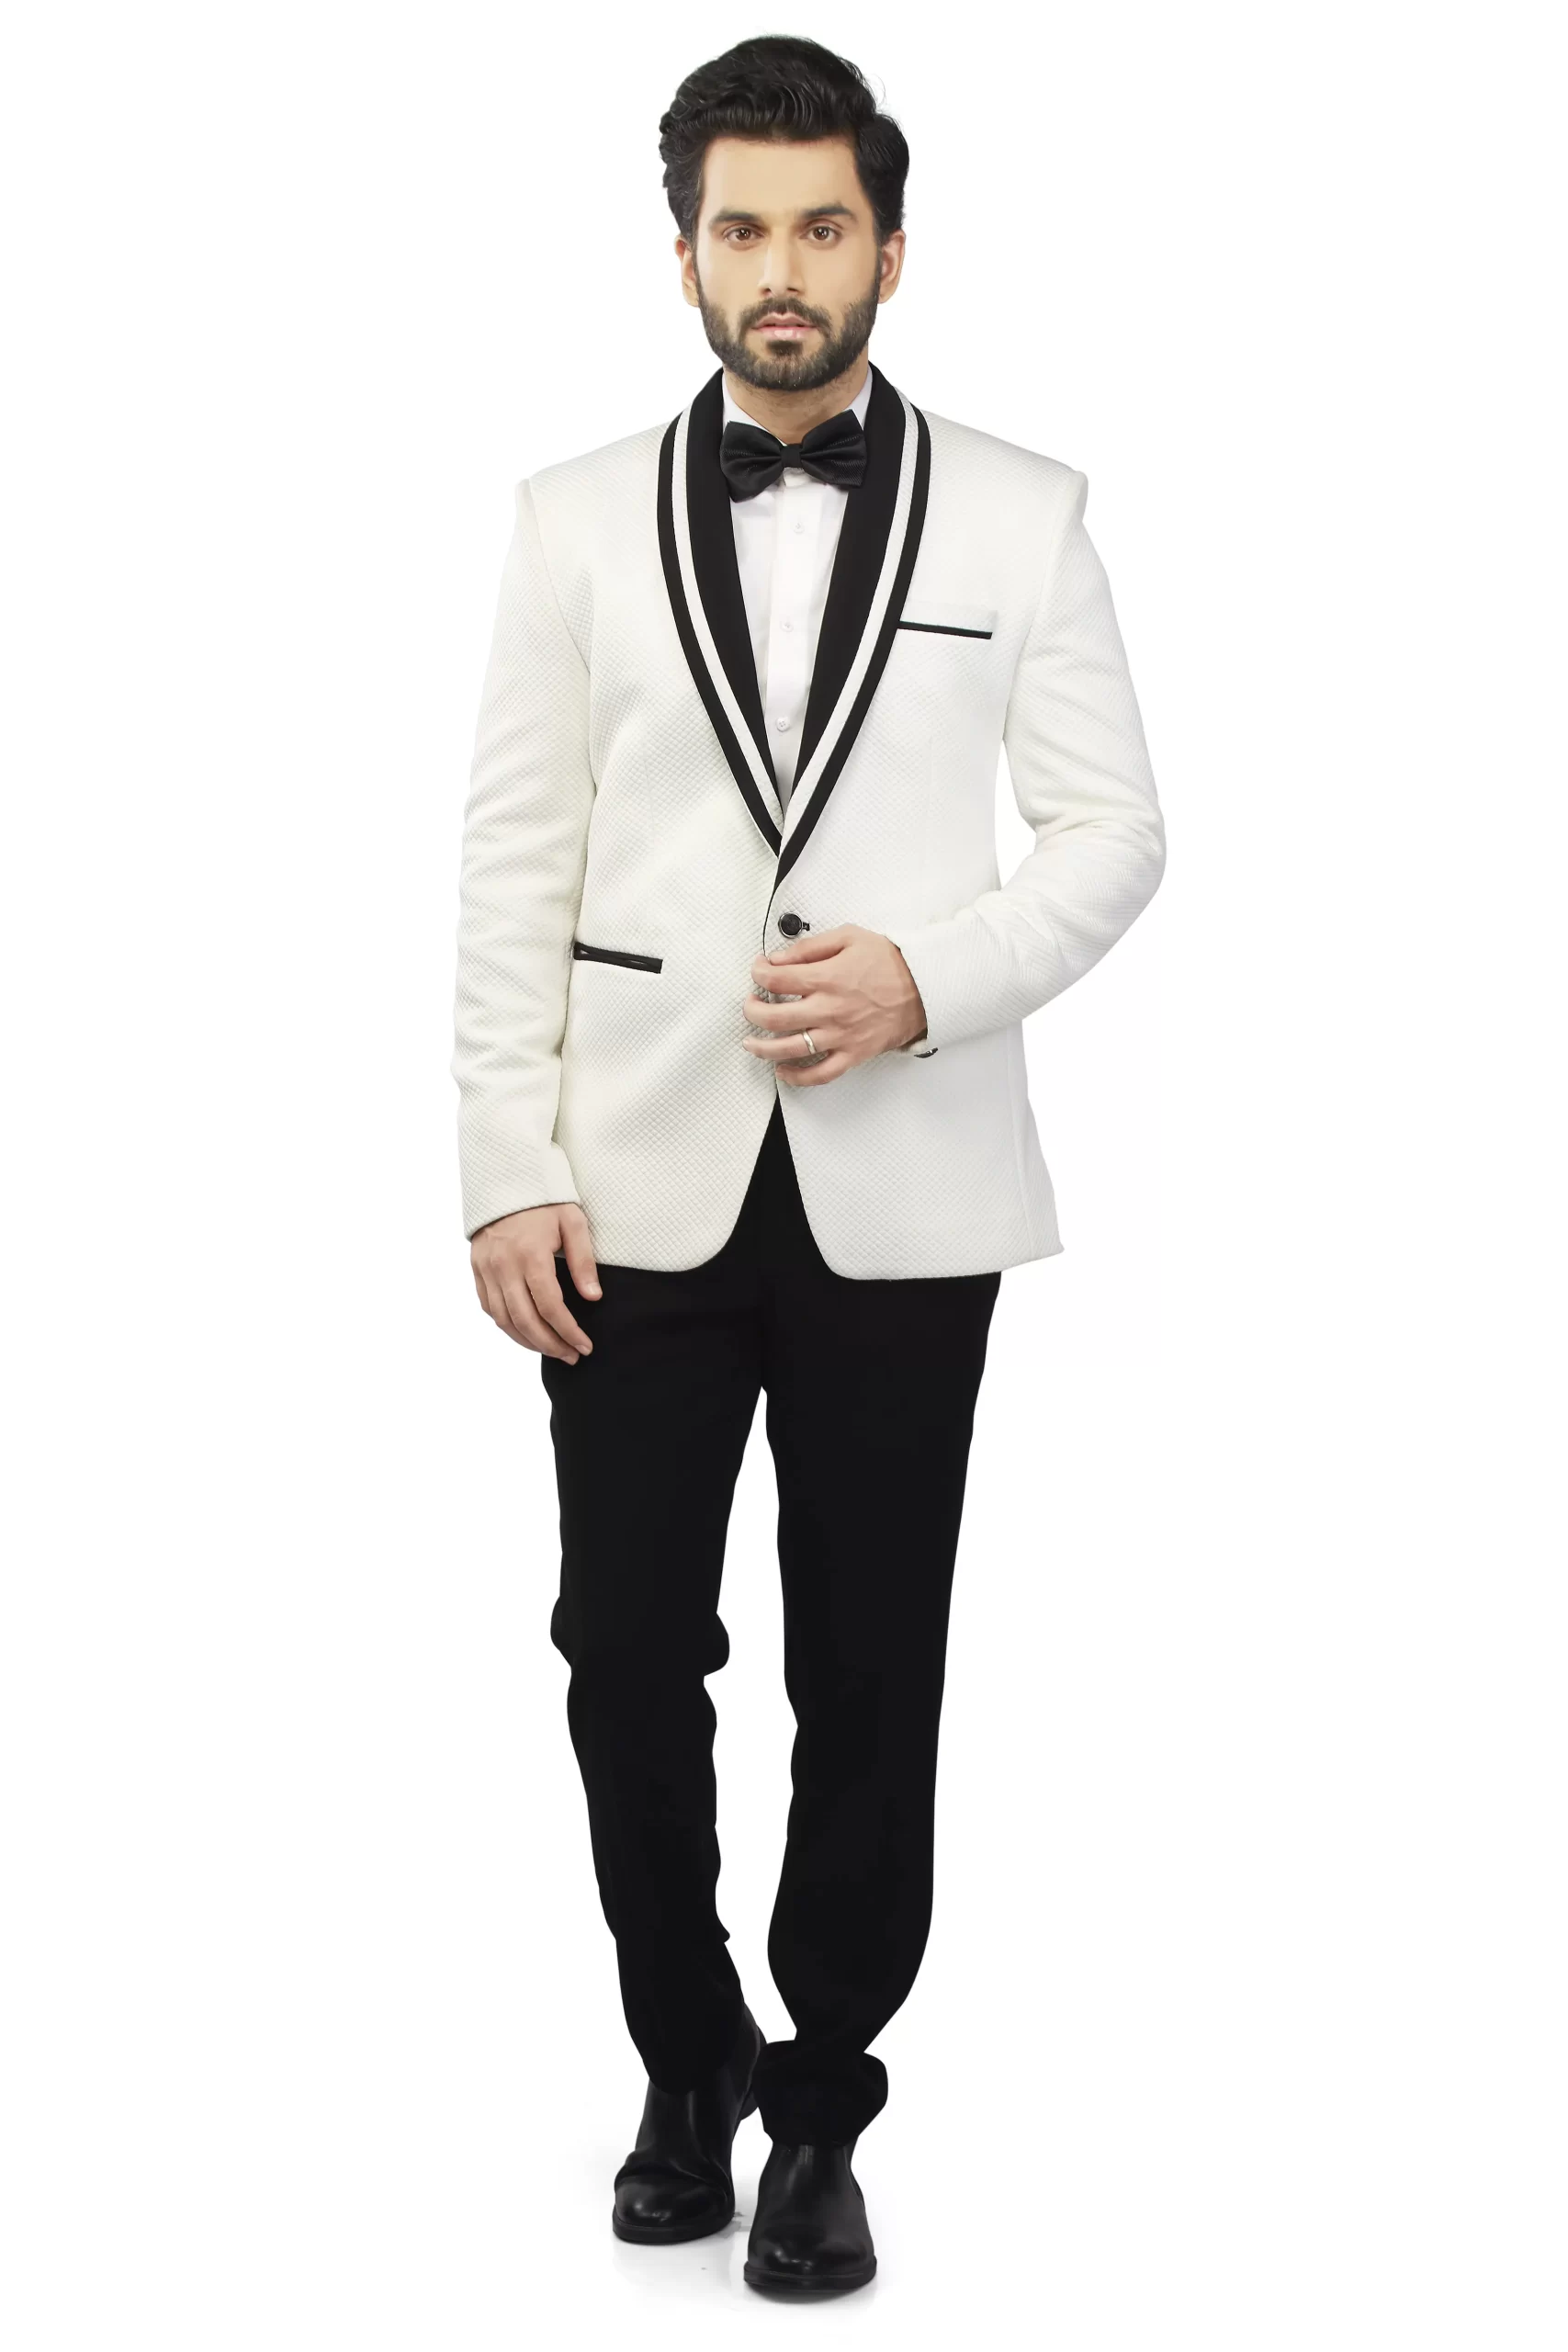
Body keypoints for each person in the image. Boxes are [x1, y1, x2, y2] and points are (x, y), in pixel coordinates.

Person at [451, 32, 1165, 2297]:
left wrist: (926, 977)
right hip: (627, 1182)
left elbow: (1115, 831)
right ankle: (685, 2055)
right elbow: (515, 856)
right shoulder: (568, 519)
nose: (782, 267)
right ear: (682, 254)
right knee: (622, 1648)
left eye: (821, 225)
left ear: (888, 248)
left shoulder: (1024, 511)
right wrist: (501, 1159)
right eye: (741, 227)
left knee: (871, 1664)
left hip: (905, 1187)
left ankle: (824, 2099)